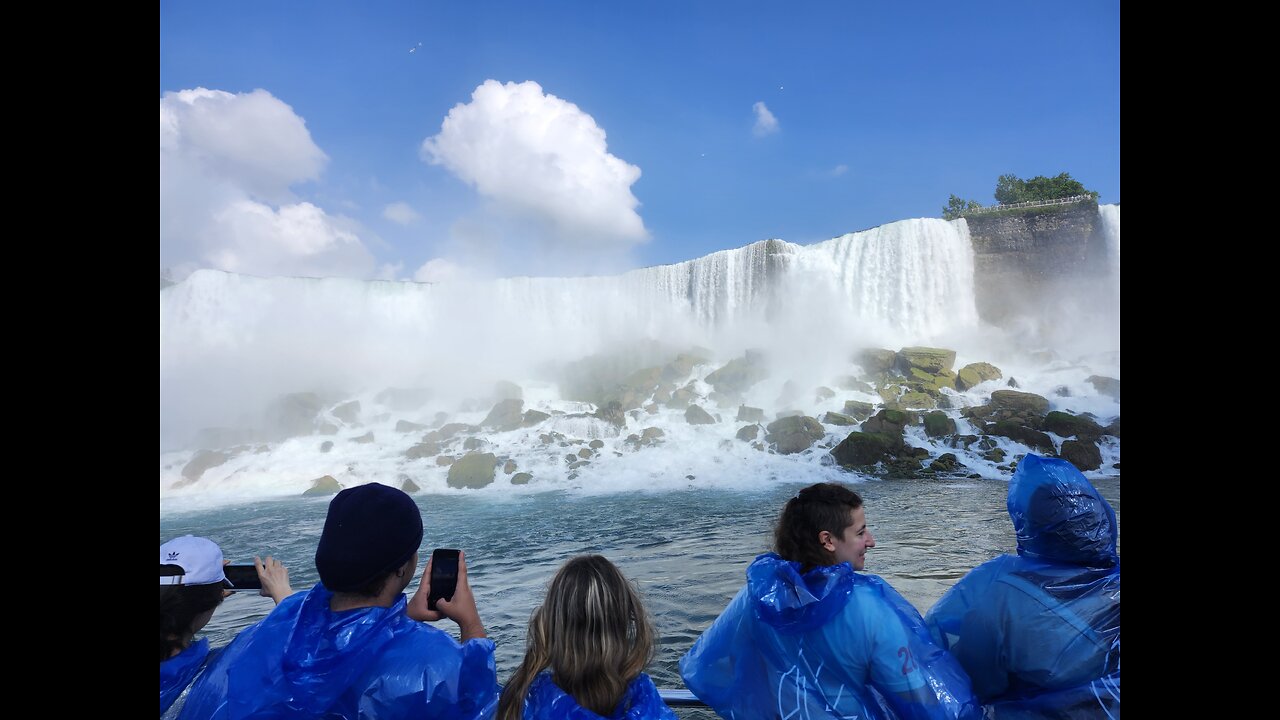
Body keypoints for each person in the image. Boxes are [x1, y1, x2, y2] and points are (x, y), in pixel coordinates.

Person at [178, 482, 499, 719]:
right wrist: (470, 624)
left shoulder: (254, 639)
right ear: (405, 566)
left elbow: (334, 647)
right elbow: (483, 706)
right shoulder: (438, 662)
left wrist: (402, 620)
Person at [679, 482, 980, 720]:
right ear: (828, 540)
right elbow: (919, 701)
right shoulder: (870, 608)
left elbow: (705, 666)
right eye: (860, 532)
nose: (871, 540)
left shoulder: (757, 597)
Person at [925, 454, 1120, 718]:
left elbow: (971, 682)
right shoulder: (1113, 583)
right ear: (1101, 519)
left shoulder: (998, 595)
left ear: (1026, 524)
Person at [498, 555, 676, 720]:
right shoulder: (648, 707)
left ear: (550, 625)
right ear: (629, 618)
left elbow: (477, 701)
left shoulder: (518, 705)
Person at [160, 535, 293, 715]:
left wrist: (206, 597)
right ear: (211, 601)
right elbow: (311, 663)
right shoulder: (232, 665)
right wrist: (285, 597)